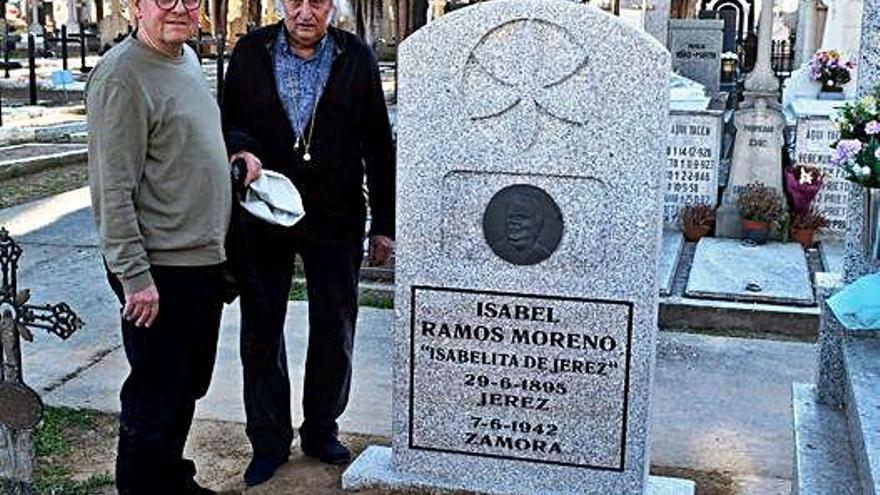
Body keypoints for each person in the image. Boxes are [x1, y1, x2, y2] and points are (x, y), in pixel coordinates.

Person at [221, 0, 394, 486]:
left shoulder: (354, 55)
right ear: (280, 5)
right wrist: (241, 148)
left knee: (335, 324)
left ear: (331, 6)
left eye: (317, 1)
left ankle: (321, 428)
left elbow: (379, 142)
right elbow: (228, 119)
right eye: (294, 1)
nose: (305, 12)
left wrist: (384, 223)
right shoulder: (250, 52)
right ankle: (269, 440)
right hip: (265, 211)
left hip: (335, 215)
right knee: (261, 326)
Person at [86, 0, 231, 490]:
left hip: (200, 262)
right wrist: (135, 277)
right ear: (134, 7)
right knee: (155, 393)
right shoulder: (122, 78)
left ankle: (170, 477)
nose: (179, 7)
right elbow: (113, 190)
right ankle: (142, 486)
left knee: (185, 386)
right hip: (159, 271)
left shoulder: (185, 57)